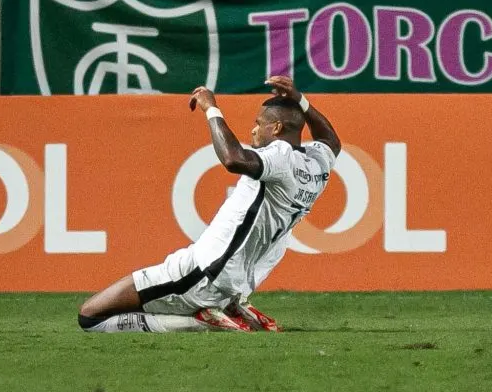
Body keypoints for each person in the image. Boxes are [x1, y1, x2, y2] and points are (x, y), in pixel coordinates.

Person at [77, 76, 341, 333]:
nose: (253, 130)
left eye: (258, 124)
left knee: (90, 316)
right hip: (234, 281)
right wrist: (300, 100)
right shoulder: (316, 165)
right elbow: (331, 141)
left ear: (277, 129)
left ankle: (201, 321)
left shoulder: (279, 156)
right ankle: (229, 309)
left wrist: (211, 109)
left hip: (200, 273)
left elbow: (233, 159)